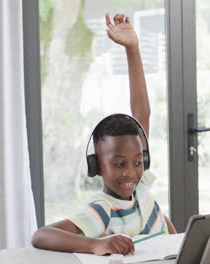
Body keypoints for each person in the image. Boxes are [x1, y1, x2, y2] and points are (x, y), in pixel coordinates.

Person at [32, 13, 176, 256]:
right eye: (119, 163)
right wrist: (96, 244)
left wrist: (133, 48)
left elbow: (142, 113)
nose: (131, 171)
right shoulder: (102, 210)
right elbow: (41, 236)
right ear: (96, 165)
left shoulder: (140, 187)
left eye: (138, 162)